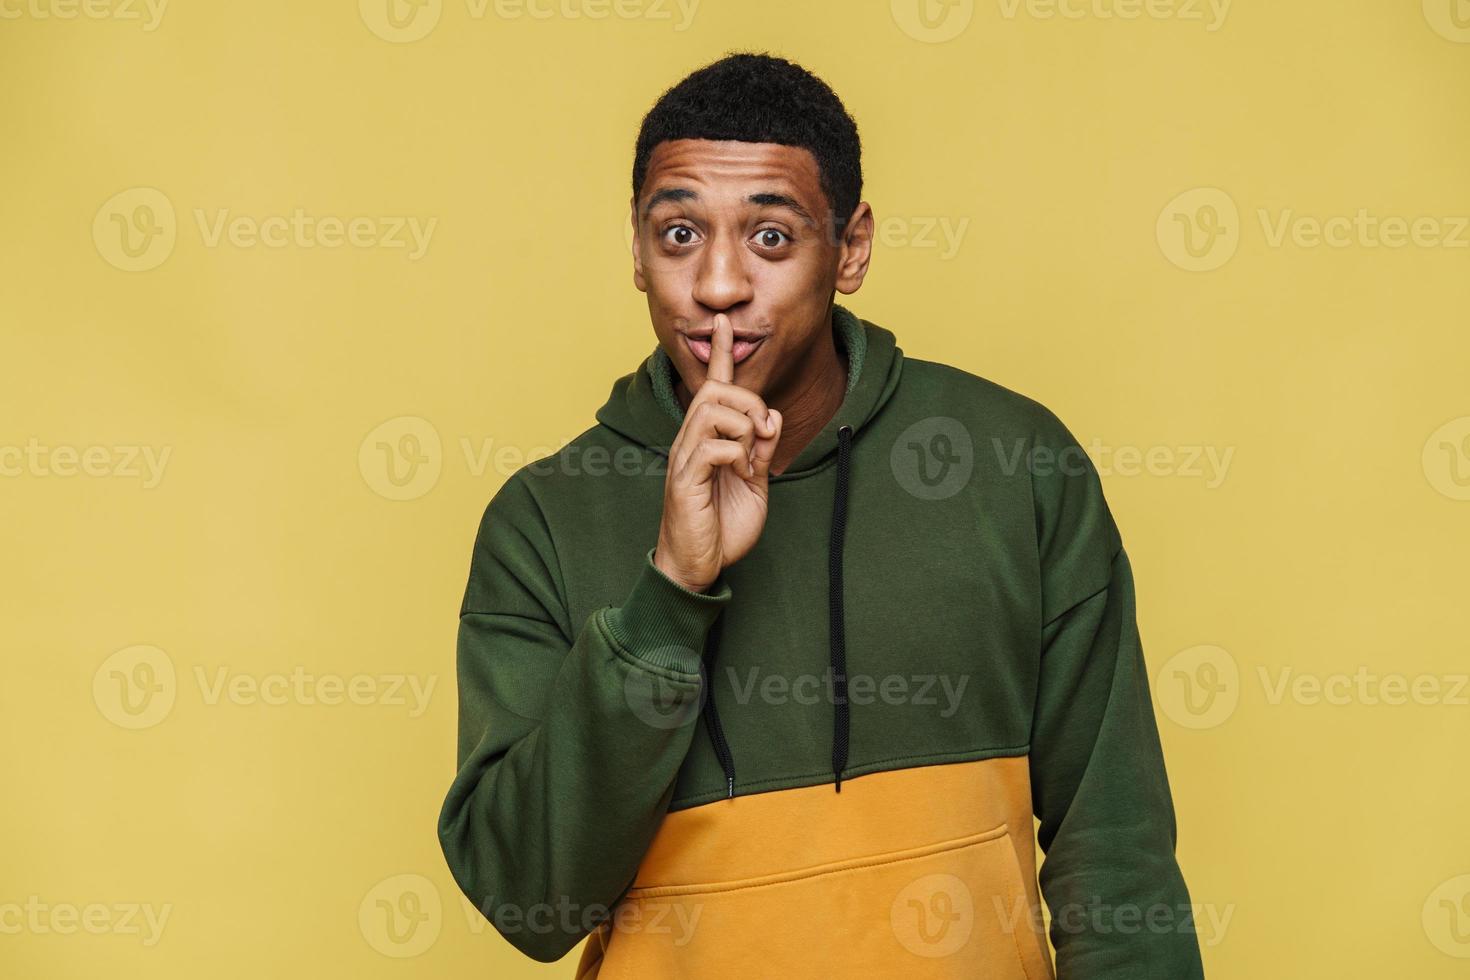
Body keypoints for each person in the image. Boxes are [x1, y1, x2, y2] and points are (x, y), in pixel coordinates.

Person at [437, 51, 1205, 979]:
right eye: (679, 233)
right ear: (635, 253)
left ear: (851, 250)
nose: (718, 286)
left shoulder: (1016, 463)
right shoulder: (542, 519)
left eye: (769, 237)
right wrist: (671, 591)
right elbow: (528, 895)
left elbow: (1116, 859)